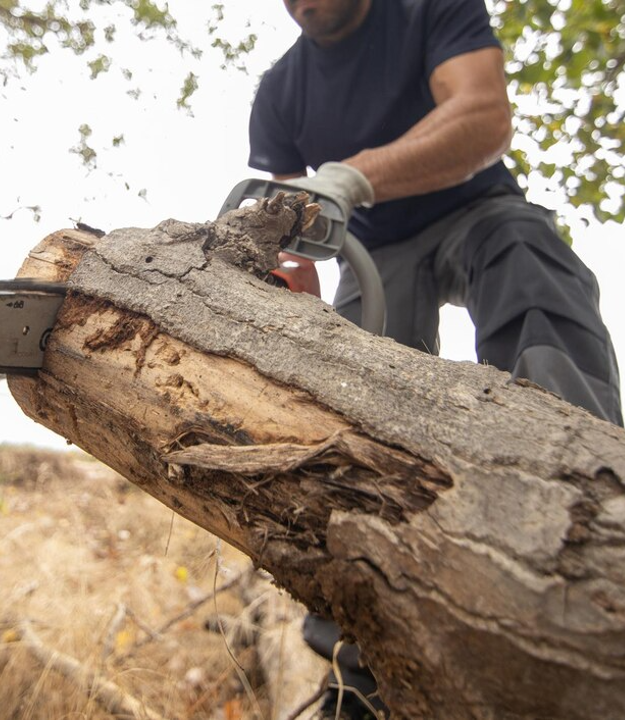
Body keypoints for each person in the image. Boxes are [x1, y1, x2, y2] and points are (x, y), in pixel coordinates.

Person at [247, 0, 624, 717]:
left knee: (528, 260)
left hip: (476, 207)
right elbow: (287, 225)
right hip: (376, 254)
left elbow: (484, 114)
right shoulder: (278, 91)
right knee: (349, 403)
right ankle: (358, 668)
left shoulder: (431, 11)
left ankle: (588, 497)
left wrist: (356, 175)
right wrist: (282, 301)